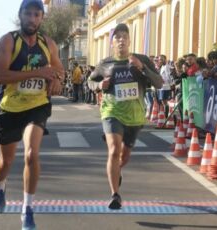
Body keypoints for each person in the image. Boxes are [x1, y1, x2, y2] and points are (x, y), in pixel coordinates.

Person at [0, 0, 64, 229]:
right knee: (6, 161)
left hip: (38, 105)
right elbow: (0, 76)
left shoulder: (48, 44)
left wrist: (58, 81)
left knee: (31, 154)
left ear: (42, 18)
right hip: (10, 107)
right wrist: (38, 72)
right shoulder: (8, 40)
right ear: (20, 15)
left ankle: (27, 209)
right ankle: (0, 187)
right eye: (28, 14)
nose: (32, 19)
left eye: (36, 14)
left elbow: (59, 69)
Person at [88, 23, 163, 210]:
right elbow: (90, 81)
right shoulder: (105, 63)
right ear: (112, 42)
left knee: (125, 156)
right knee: (113, 151)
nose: (121, 40)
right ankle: (115, 194)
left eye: (124, 37)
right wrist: (99, 86)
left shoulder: (141, 59)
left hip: (135, 116)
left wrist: (143, 68)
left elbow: (159, 83)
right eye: (117, 37)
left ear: (130, 41)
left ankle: (117, 170)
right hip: (111, 111)